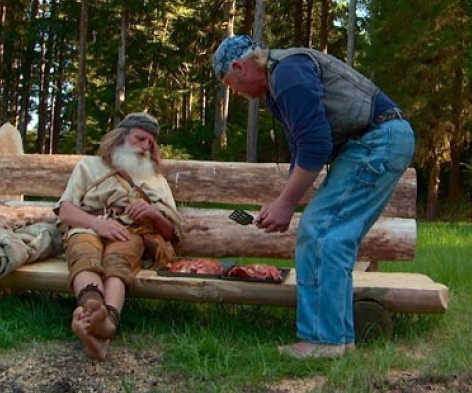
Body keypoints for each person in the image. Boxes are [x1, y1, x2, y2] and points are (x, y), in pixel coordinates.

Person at [212, 35, 415, 359]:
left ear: (240, 67)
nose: (234, 92)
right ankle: (337, 339)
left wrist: (286, 204)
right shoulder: (278, 88)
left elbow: (316, 145)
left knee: (320, 233)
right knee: (328, 235)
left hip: (377, 141)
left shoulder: (288, 73)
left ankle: (323, 341)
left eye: (230, 83)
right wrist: (280, 204)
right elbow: (302, 150)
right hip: (372, 143)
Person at [54, 112, 183, 361]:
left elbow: (172, 233)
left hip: (130, 231)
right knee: (83, 251)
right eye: (140, 139)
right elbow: (65, 210)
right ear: (121, 137)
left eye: (150, 143)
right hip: (88, 224)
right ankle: (95, 310)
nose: (145, 147)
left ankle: (105, 323)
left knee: (118, 260)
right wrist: (97, 225)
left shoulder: (155, 179)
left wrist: (154, 215)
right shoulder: (89, 166)